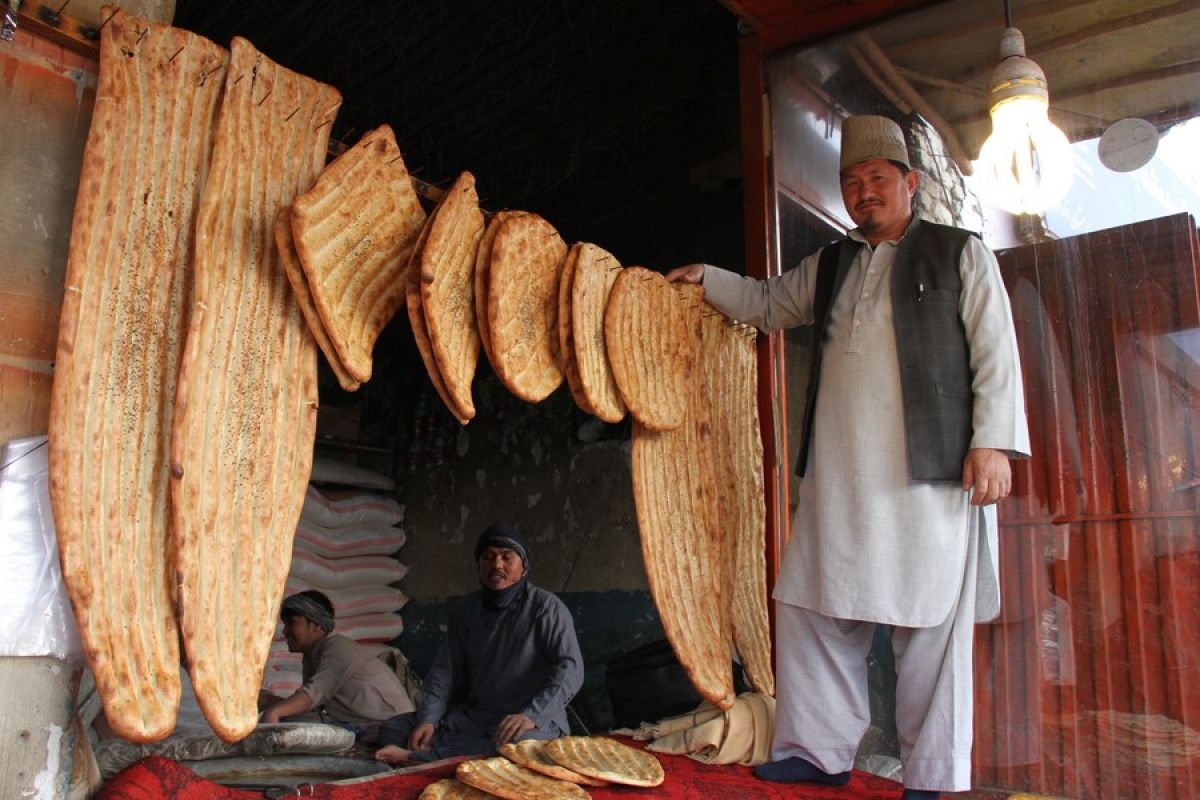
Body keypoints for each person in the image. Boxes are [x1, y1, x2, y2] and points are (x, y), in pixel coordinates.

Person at [665, 115, 1030, 799]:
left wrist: (993, 445)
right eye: (852, 183)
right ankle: (814, 752)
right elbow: (770, 304)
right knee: (813, 607)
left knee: (930, 634)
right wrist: (708, 278)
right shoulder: (831, 264)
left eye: (877, 180)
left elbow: (995, 350)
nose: (864, 193)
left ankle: (933, 776)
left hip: (930, 477)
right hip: (839, 478)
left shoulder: (959, 252)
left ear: (910, 184)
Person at [372, 522, 584, 764]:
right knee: (394, 729)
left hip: (529, 720)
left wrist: (531, 715)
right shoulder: (465, 610)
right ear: (479, 565)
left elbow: (570, 669)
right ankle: (439, 754)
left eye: (507, 557)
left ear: (523, 567)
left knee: (517, 747)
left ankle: (422, 758)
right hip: (475, 717)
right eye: (488, 557)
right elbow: (444, 673)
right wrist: (428, 720)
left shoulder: (547, 608)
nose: (497, 565)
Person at [258, 589, 414, 734]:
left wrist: (274, 710)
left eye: (291, 623)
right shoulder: (311, 654)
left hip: (393, 727)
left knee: (284, 720)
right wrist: (270, 701)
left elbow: (314, 694)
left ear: (316, 626)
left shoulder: (337, 647)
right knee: (288, 719)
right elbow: (312, 705)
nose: (285, 631)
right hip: (361, 725)